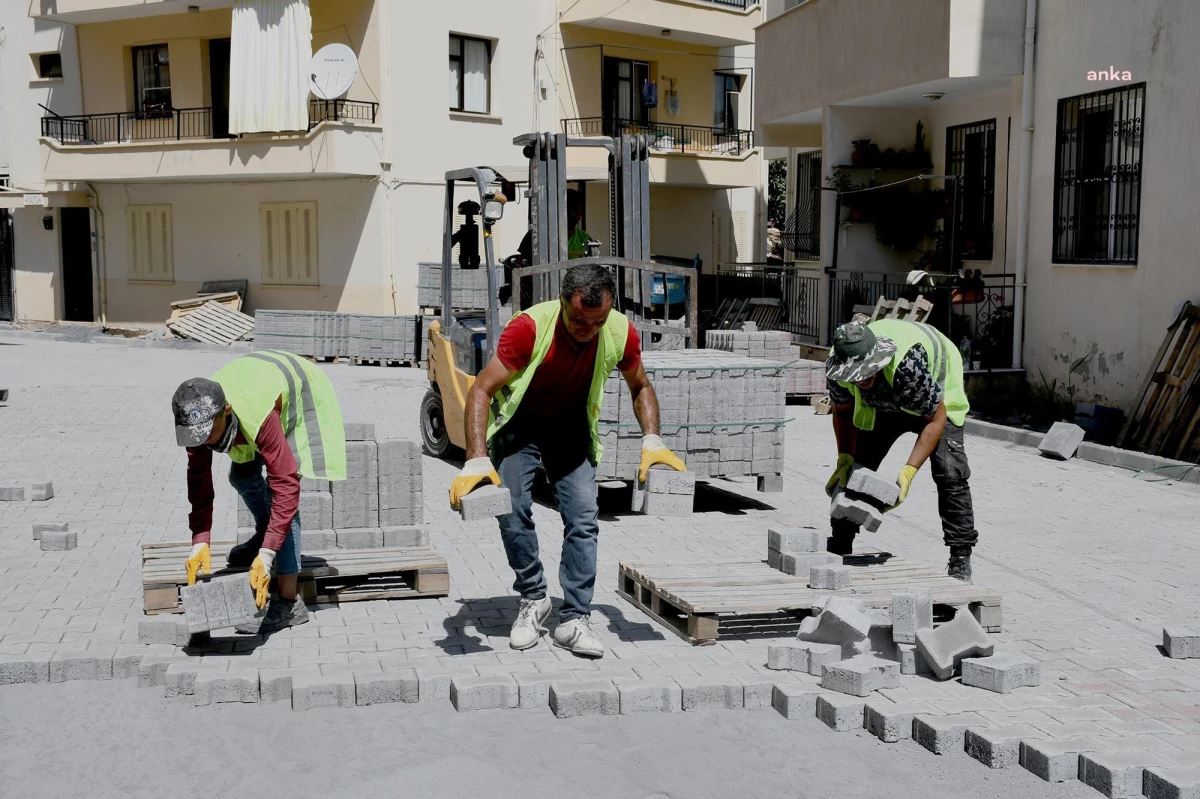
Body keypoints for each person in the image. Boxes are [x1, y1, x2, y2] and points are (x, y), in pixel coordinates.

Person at [449, 263, 686, 657]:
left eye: (598, 321)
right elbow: (481, 389)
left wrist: (653, 440)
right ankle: (533, 597)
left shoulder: (618, 331)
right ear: (563, 303)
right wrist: (476, 458)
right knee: (511, 510)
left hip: (571, 430)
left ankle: (574, 618)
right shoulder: (529, 327)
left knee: (583, 518)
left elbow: (640, 384)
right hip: (519, 427)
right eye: (579, 320)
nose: (588, 330)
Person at [172, 351, 346, 634]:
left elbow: (286, 487)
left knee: (279, 499)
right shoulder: (197, 424)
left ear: (225, 410)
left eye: (208, 433)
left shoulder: (257, 415)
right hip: (256, 387)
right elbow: (199, 482)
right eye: (197, 435)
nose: (203, 441)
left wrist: (266, 557)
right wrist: (200, 540)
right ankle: (267, 538)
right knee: (241, 475)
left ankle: (290, 602)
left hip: (300, 393)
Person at [823, 319, 977, 582]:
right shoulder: (837, 366)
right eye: (855, 374)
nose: (860, 379)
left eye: (865, 372)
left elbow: (935, 419)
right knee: (858, 470)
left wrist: (908, 471)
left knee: (950, 473)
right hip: (885, 404)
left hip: (935, 401)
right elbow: (843, 411)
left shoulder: (907, 366)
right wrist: (844, 458)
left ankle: (960, 558)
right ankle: (841, 543)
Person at [508, 189, 592, 307]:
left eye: (576, 210)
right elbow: (522, 267)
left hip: (574, 298)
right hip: (541, 297)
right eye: (569, 209)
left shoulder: (585, 238)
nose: (573, 214)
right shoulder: (535, 236)